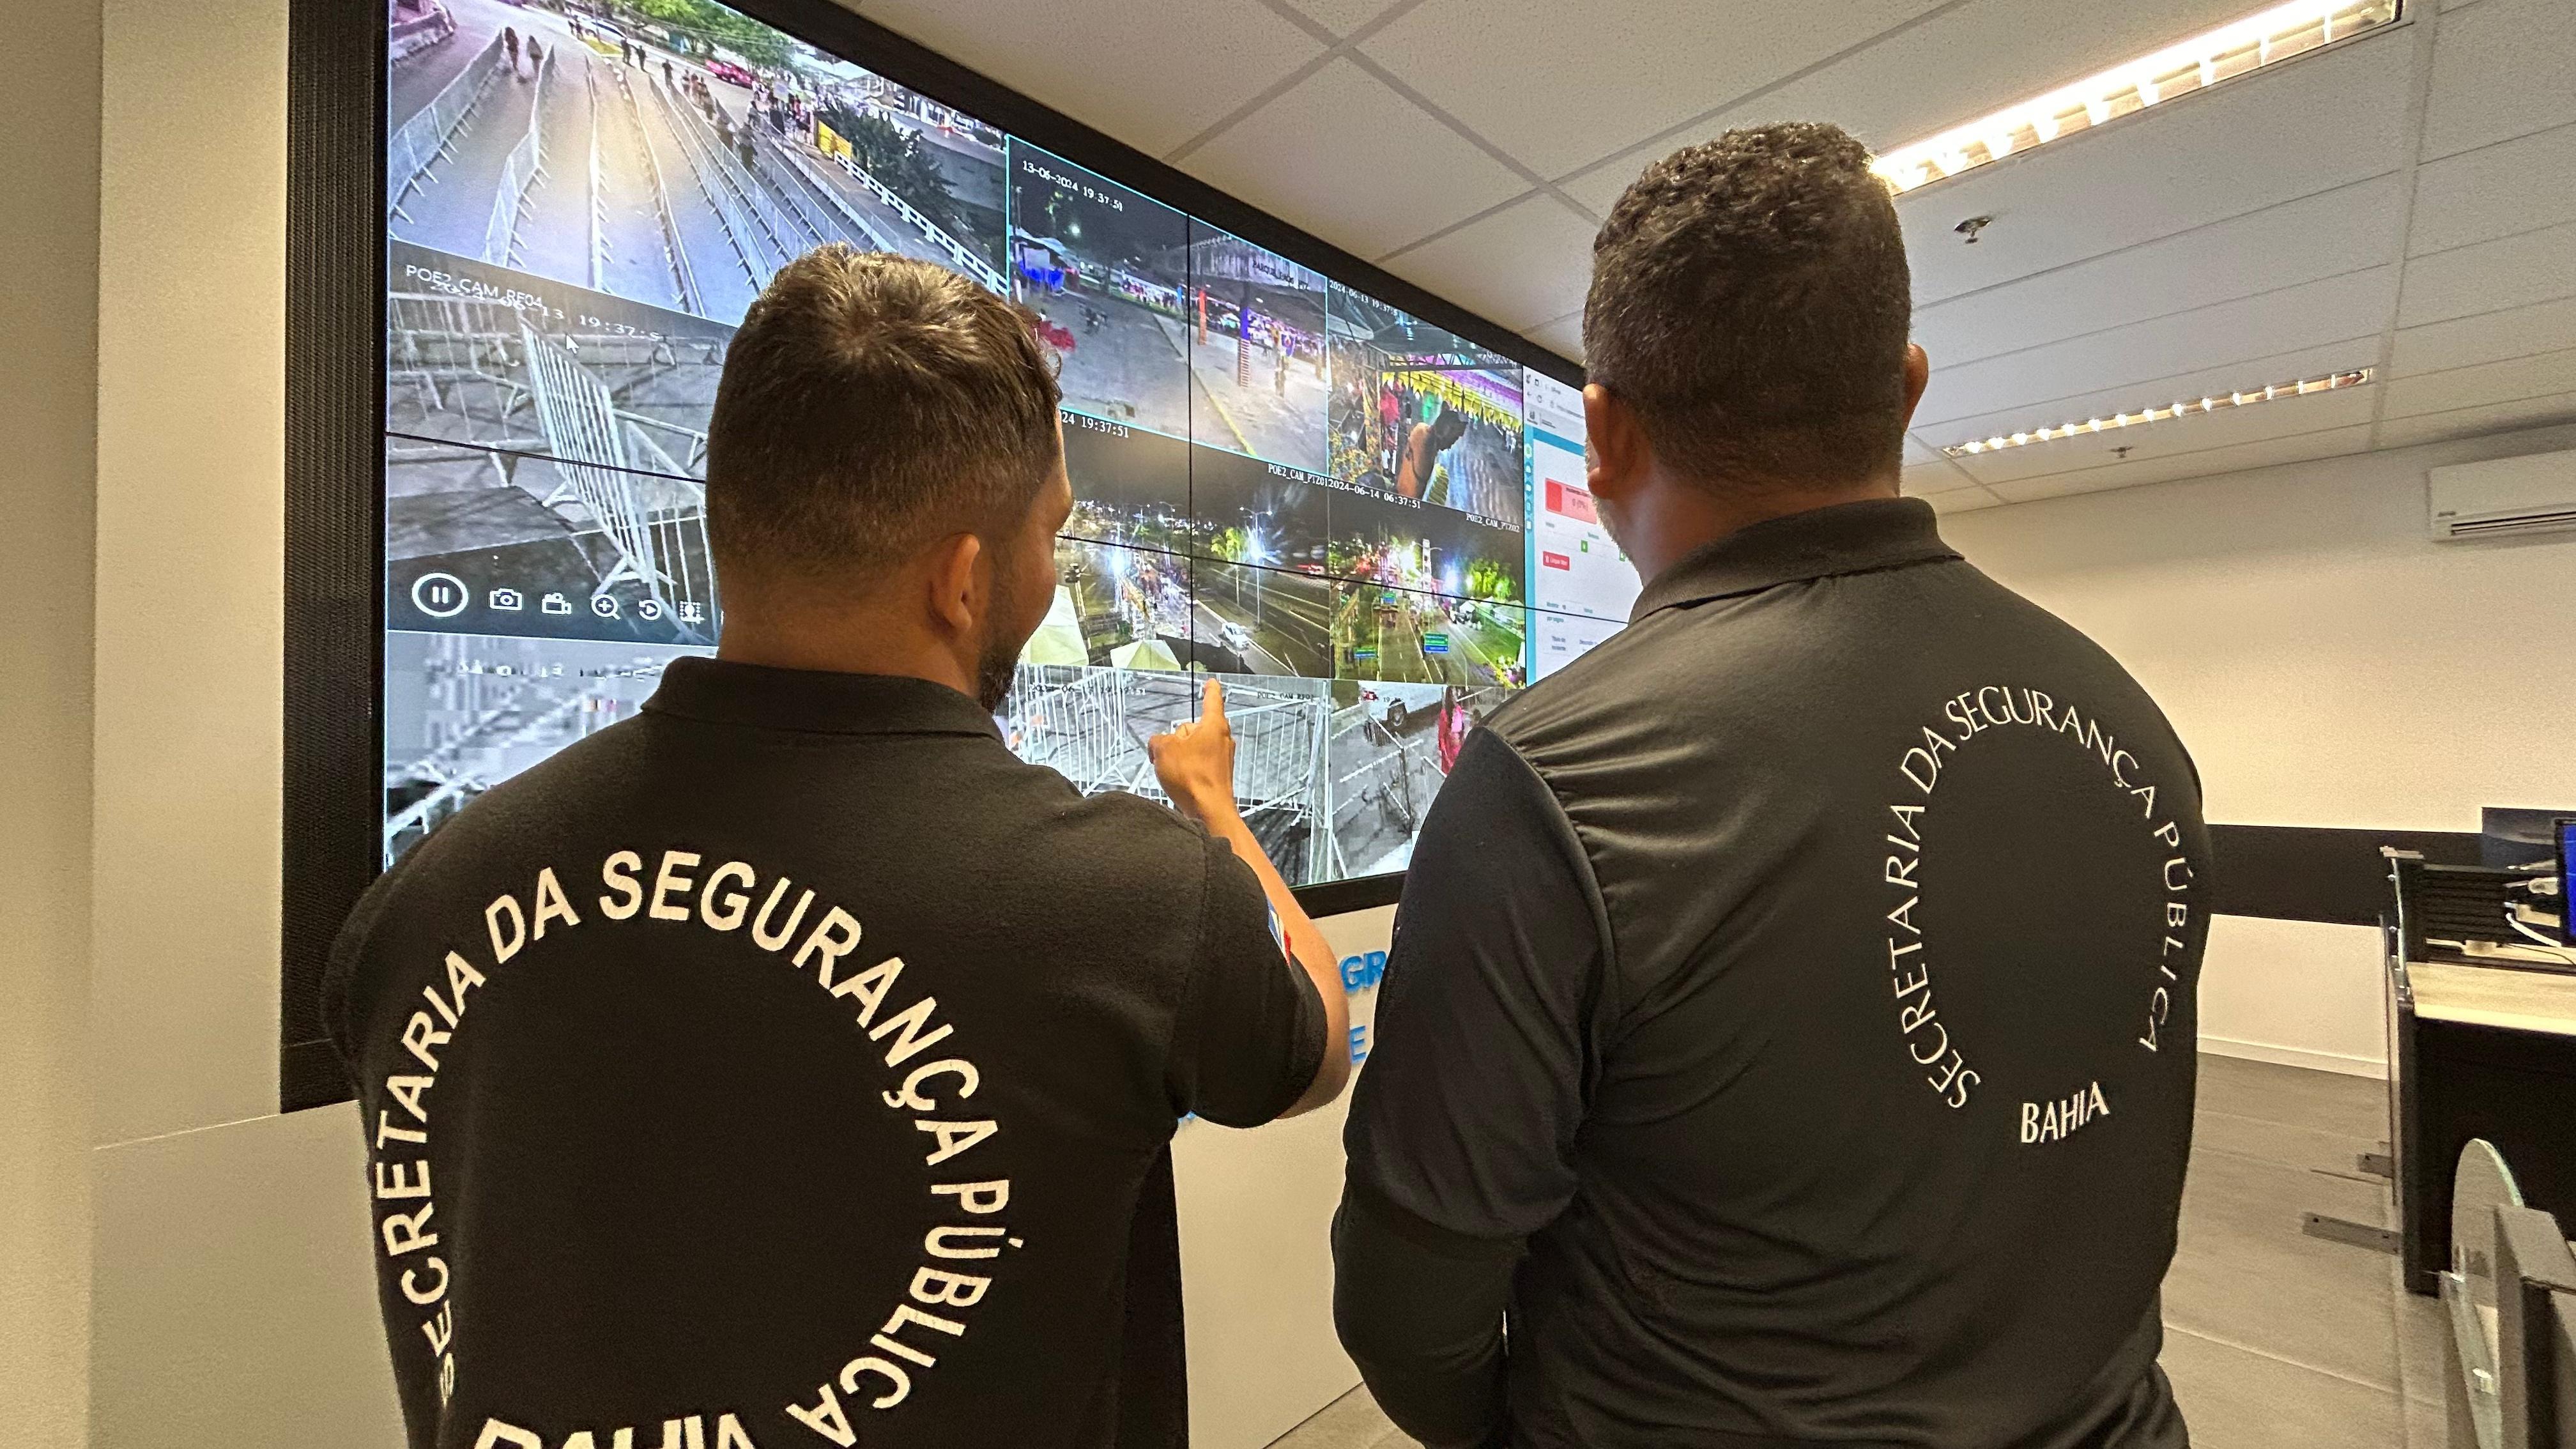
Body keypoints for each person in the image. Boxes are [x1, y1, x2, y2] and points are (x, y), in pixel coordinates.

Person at [328, 246, 1351, 1449]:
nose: (1052, 569)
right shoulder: (1129, 898)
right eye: (1052, 534)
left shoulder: (419, 906)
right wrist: (1214, 809)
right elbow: (1316, 1048)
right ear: (963, 582)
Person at [1333, 122, 2207, 1449]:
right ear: (1905, 390)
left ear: (1603, 433)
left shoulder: (1551, 778)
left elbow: (1413, 1302)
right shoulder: (2132, 723)